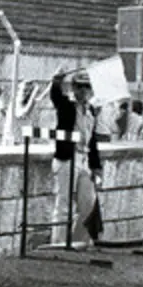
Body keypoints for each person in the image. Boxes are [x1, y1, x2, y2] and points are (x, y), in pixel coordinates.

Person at [51, 71, 102, 248]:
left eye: (87, 87)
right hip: (67, 157)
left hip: (84, 158)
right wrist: (56, 81)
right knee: (64, 204)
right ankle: (58, 243)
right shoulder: (66, 105)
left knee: (88, 202)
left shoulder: (91, 110)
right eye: (79, 86)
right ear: (73, 88)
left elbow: (92, 139)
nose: (83, 90)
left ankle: (79, 240)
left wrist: (96, 166)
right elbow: (56, 97)